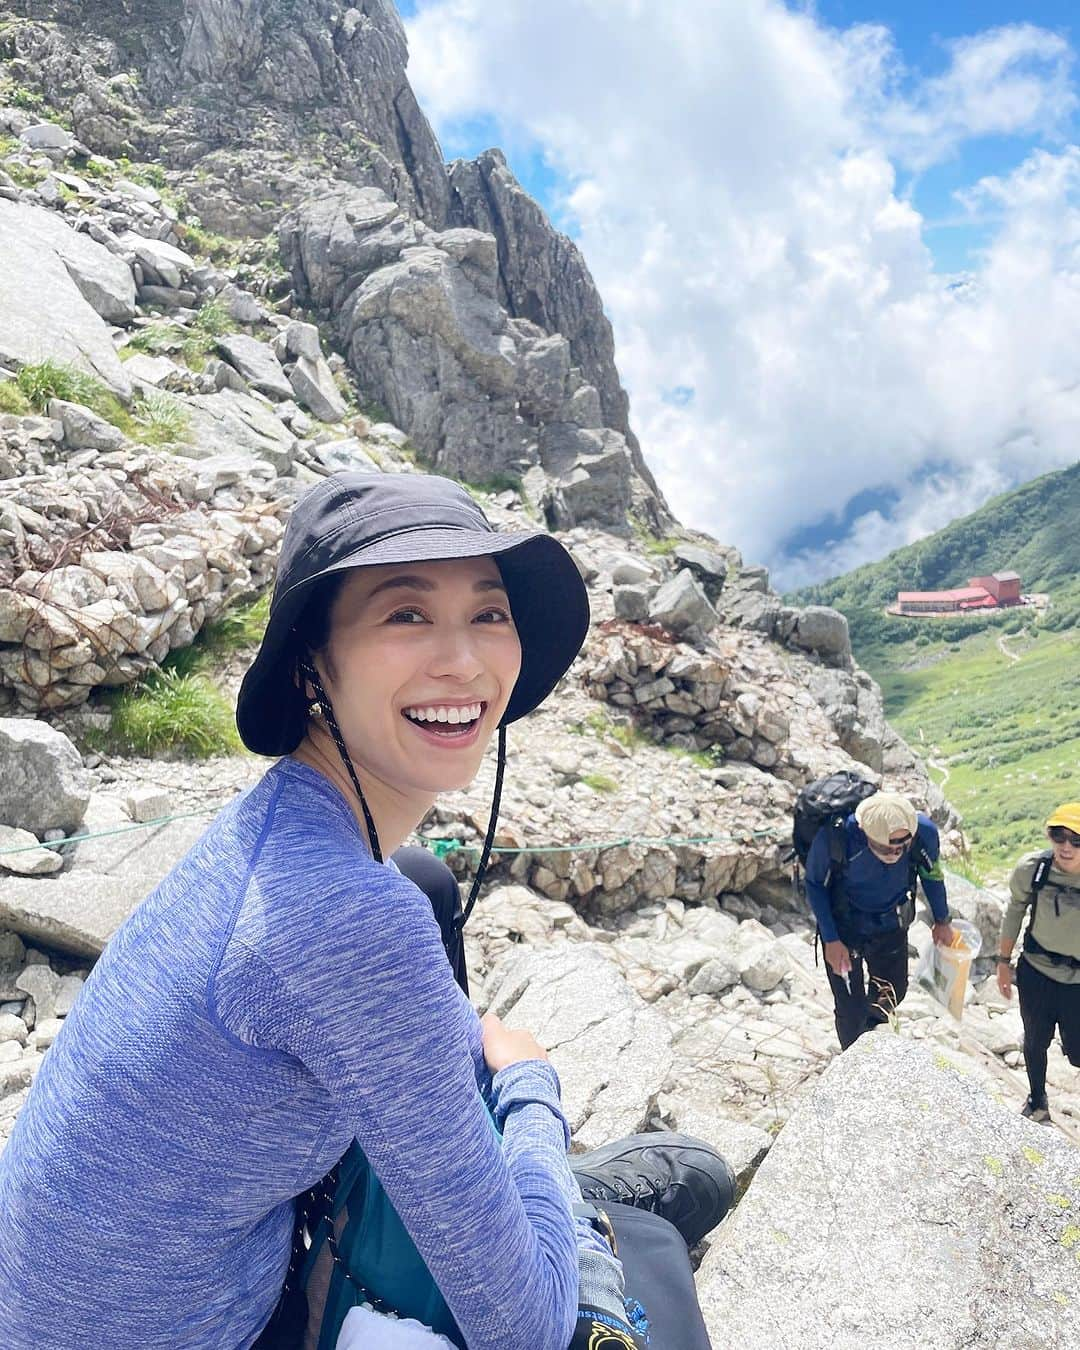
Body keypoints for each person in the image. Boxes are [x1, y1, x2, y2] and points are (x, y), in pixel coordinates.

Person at [0, 472, 725, 1350]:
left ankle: (540, 1199)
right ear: (314, 659)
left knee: (421, 880)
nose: (463, 660)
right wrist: (534, 1093)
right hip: (196, 1330)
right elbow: (523, 1329)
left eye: (488, 614)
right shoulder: (346, 917)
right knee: (651, 1268)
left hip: (71, 1303)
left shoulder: (275, 824)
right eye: (405, 614)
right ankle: (568, 1198)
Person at [805, 790, 955, 1049]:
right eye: (884, 847)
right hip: (844, 927)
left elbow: (931, 875)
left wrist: (942, 920)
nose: (894, 854)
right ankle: (853, 1058)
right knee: (850, 1008)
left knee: (893, 991)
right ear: (865, 833)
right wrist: (830, 939)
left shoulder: (924, 834)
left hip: (890, 924)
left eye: (901, 846)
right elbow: (814, 883)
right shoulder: (837, 837)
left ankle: (869, 1030)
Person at [996, 802, 1080, 1124]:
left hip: (1077, 984)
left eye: (1077, 840)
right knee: (1034, 1039)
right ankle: (1037, 1099)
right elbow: (1014, 911)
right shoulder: (1033, 869)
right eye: (1059, 836)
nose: (1066, 847)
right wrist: (1003, 962)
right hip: (1037, 971)